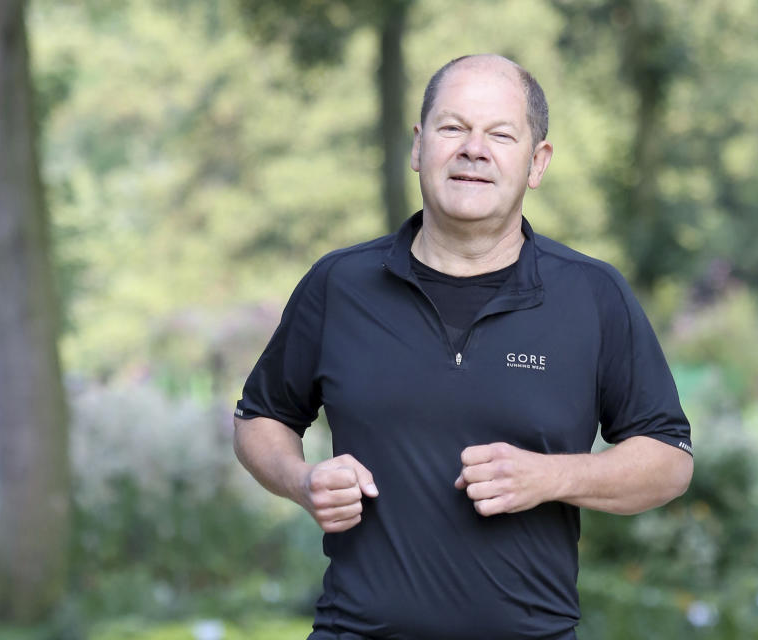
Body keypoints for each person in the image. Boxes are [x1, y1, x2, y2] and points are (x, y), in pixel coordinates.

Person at [233, 54, 693, 640]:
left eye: (501, 134)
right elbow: (260, 418)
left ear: (537, 162)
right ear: (418, 146)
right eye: (453, 128)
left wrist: (549, 477)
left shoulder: (592, 295)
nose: (473, 149)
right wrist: (301, 482)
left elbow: (669, 459)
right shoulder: (339, 284)